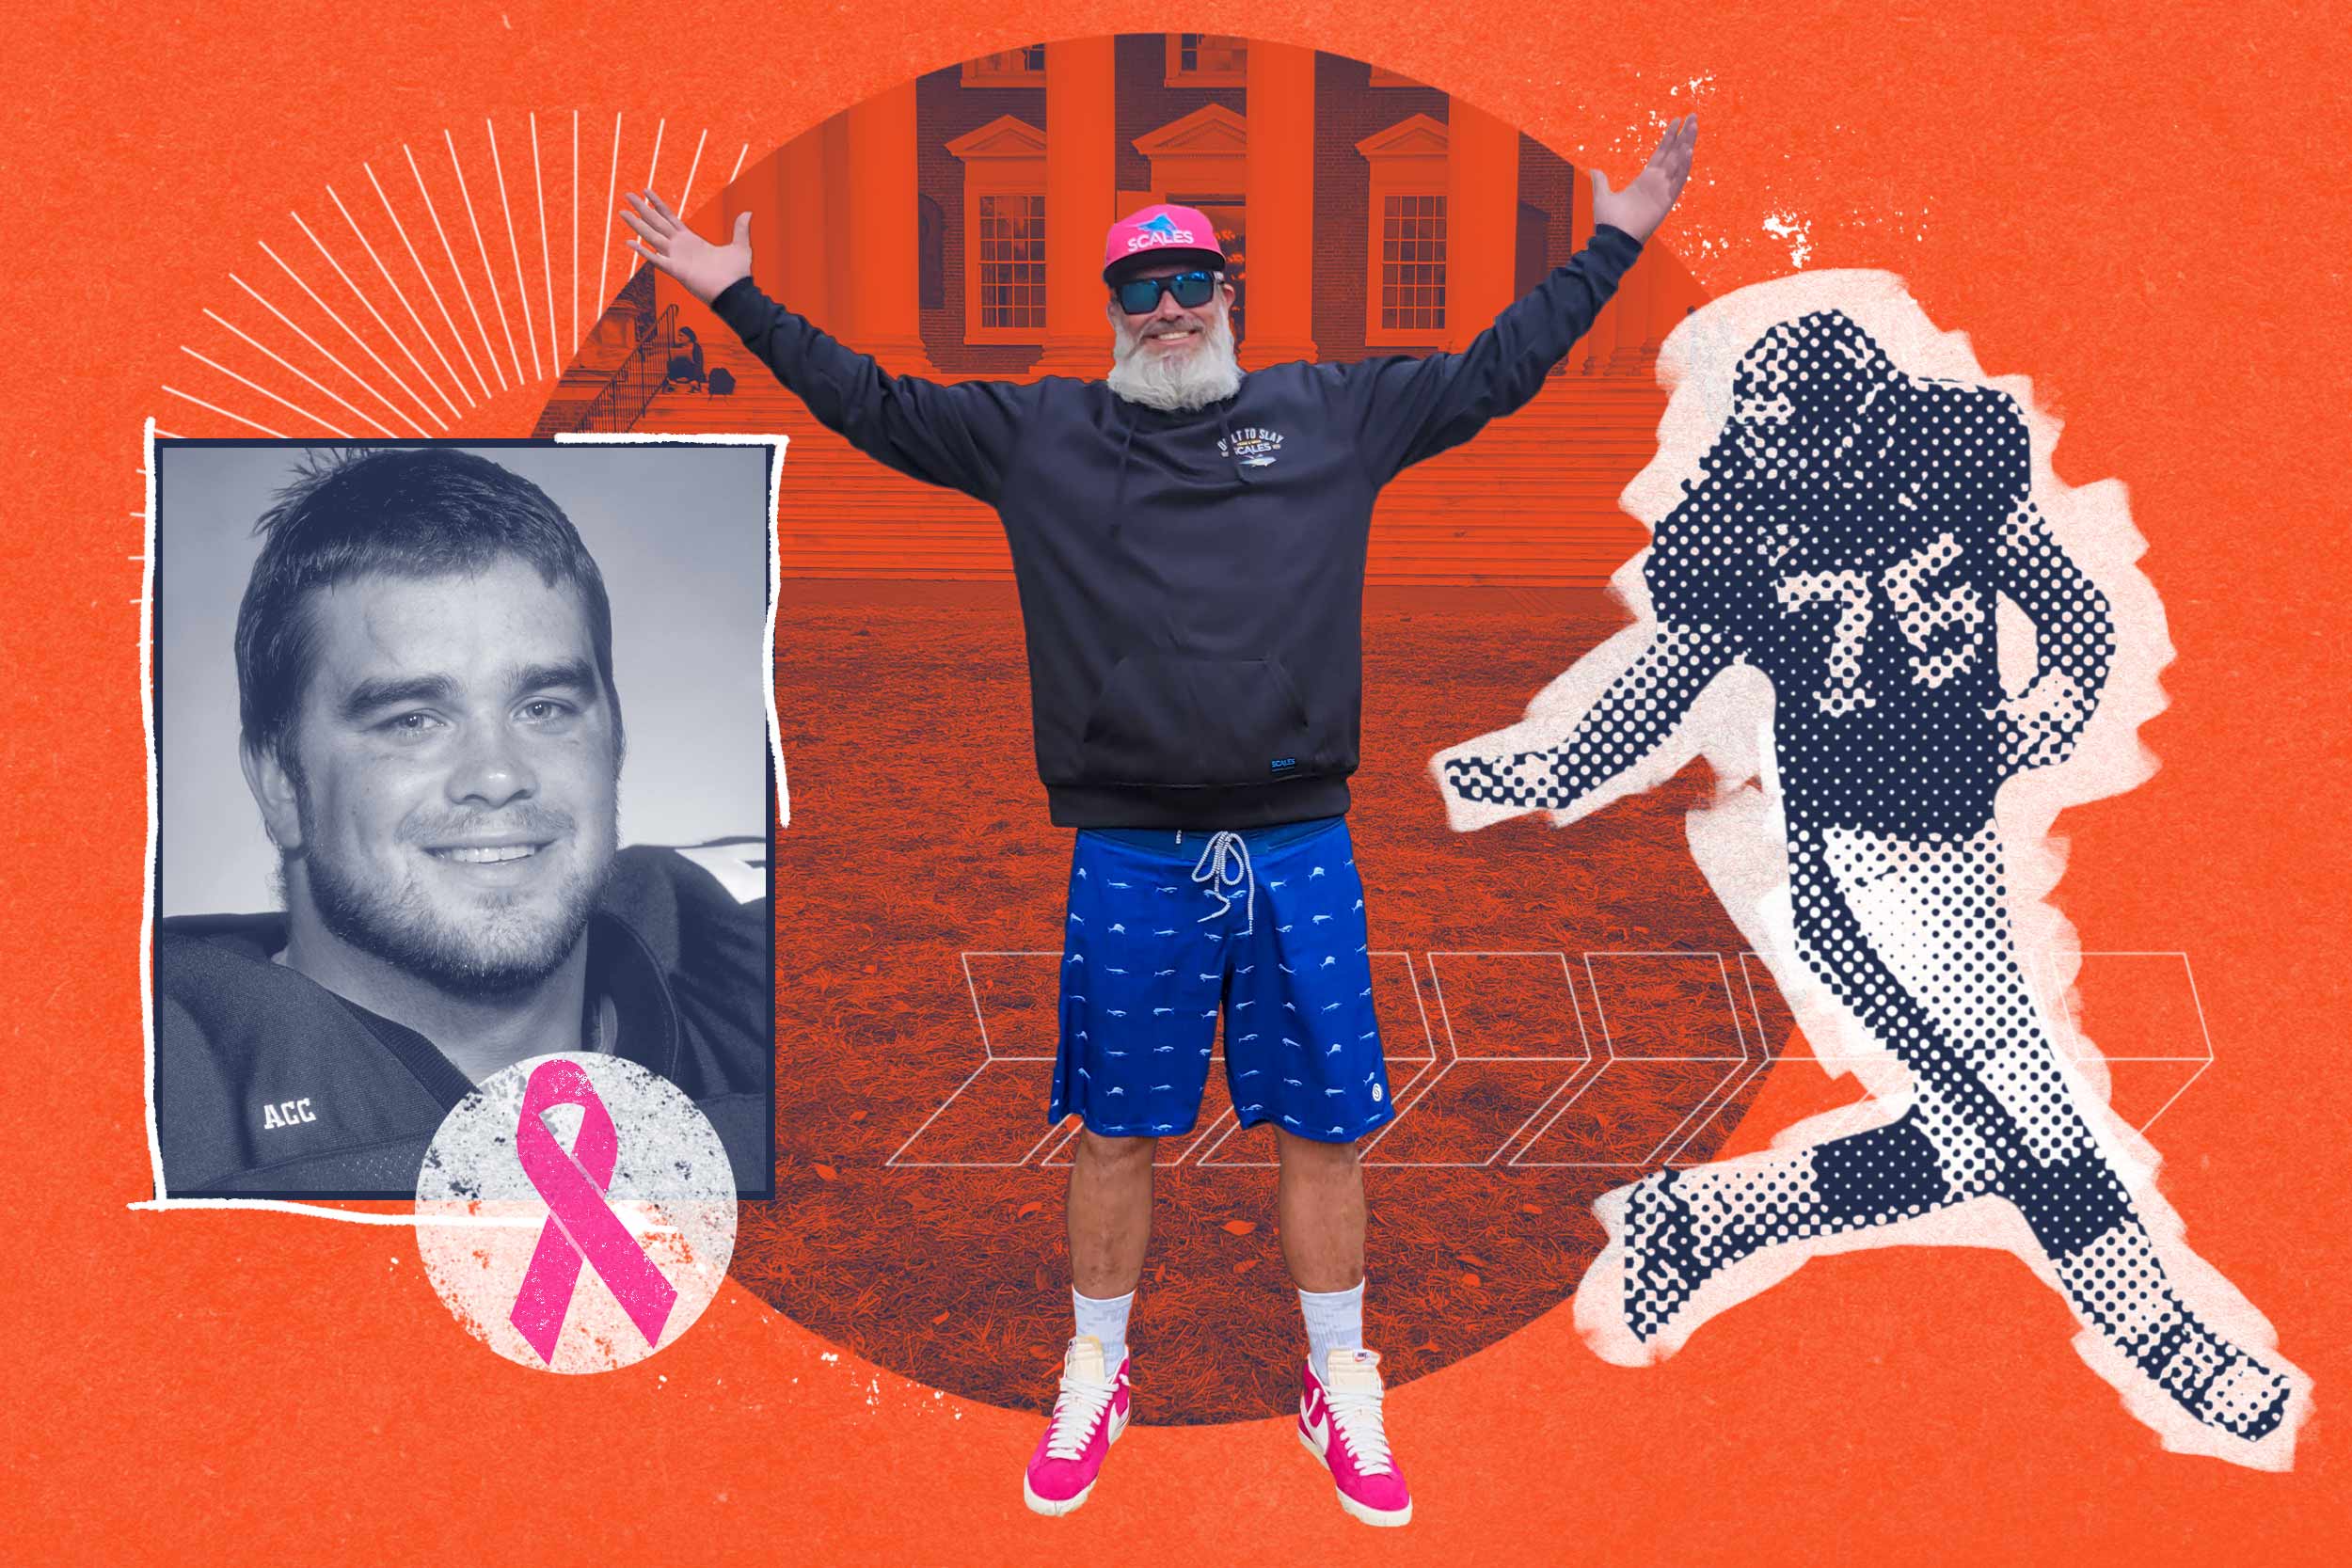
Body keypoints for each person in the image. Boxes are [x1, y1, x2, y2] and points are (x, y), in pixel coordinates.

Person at [623, 113, 1696, 1527]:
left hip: (1301, 835)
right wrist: (733, 291)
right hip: (1129, 842)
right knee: (1116, 1126)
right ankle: (1097, 1364)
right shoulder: (1039, 436)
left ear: (1229, 294)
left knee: (1322, 1128)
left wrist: (1612, 239)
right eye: (1143, 288)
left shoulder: (1332, 413)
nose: (1172, 307)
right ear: (1113, 311)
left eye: (1194, 282)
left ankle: (1334, 1376)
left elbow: (1500, 371)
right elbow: (871, 399)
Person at [1438, 310, 2299, 1448]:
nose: (1791, 457)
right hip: (1863, 863)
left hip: (1954, 850)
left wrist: (2044, 705)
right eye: (1771, 435)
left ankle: (1697, 1220)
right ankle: (2158, 1331)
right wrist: (1524, 766)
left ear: (1875, 423)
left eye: (1818, 432)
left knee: (1969, 1139)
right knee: (2032, 1107)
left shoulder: (1946, 458)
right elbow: (1660, 685)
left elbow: (2065, 605)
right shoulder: (1745, 524)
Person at [154, 448, 772, 1197]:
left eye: (542, 708)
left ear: (616, 737)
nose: (498, 776)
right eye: (413, 719)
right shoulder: (136, 1088)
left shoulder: (752, 963)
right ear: (283, 784)